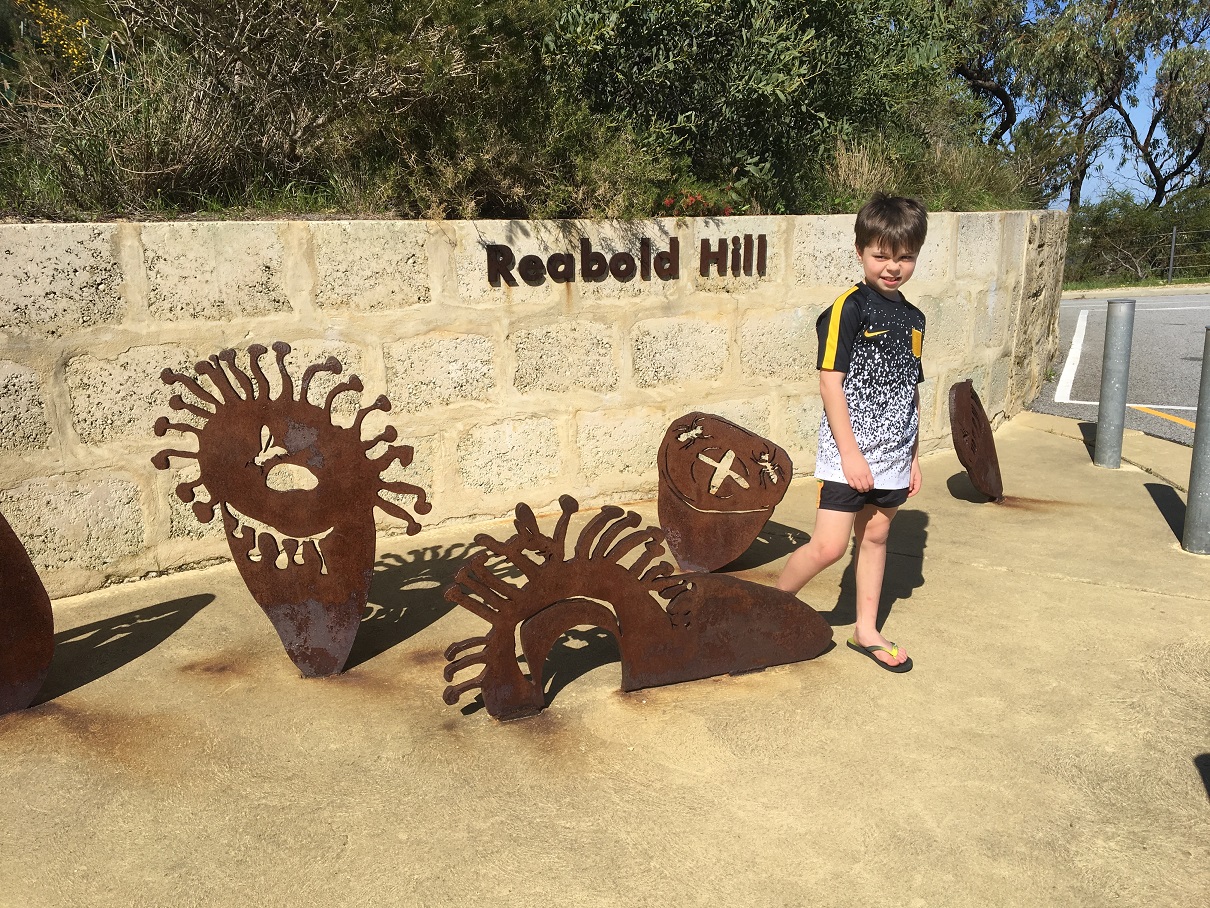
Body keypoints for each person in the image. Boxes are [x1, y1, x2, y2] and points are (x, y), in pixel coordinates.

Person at [776, 193, 928, 673]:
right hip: (850, 452)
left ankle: (866, 631)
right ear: (861, 251)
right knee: (829, 546)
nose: (892, 267)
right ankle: (768, 608)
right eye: (881, 255)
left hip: (895, 454)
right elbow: (829, 381)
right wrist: (851, 454)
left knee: (877, 538)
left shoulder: (914, 318)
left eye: (904, 257)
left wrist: (914, 455)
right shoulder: (849, 308)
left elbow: (911, 389)